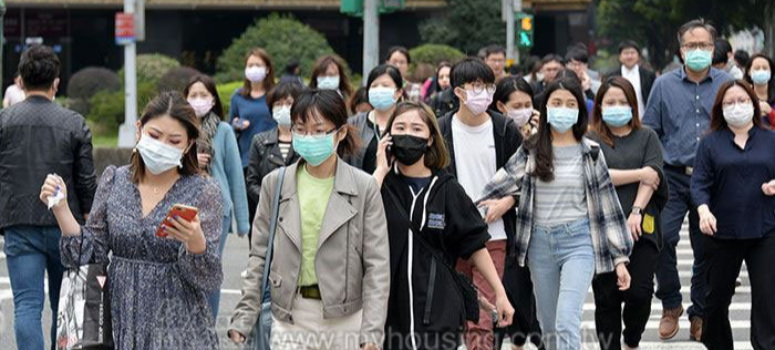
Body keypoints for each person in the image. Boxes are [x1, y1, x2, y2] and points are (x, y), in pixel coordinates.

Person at [41, 91, 223, 349]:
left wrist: (195, 242)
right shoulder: (115, 180)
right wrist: (61, 209)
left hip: (179, 328)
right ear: (139, 130)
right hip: (121, 321)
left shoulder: (204, 191)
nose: (162, 146)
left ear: (189, 144)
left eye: (174, 141)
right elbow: (91, 251)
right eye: (154, 135)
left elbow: (209, 278)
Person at [478, 76, 634, 350]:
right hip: (539, 244)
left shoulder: (592, 153)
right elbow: (497, 184)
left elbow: (609, 208)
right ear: (546, 108)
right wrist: (477, 207)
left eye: (570, 103)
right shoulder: (531, 150)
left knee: (566, 321)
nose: (563, 109)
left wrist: (620, 258)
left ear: (579, 111)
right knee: (548, 327)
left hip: (579, 242)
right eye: (557, 102)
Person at [228, 89, 390, 350]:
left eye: (318, 130)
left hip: (346, 319)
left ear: (341, 132)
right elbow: (259, 255)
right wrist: (244, 316)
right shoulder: (275, 184)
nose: (308, 138)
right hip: (290, 316)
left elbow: (377, 266)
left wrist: (371, 332)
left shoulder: (363, 187)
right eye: (300, 129)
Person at [373, 101, 515, 350]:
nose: (408, 134)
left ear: (430, 139)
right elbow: (358, 219)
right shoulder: (379, 185)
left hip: (438, 305)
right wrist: (380, 171)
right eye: (400, 128)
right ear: (388, 137)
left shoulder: (447, 188)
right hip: (389, 306)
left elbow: (474, 244)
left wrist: (499, 293)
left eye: (417, 129)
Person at [642, 18, 734, 342]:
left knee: (706, 248)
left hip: (712, 179)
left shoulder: (727, 84)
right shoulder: (663, 85)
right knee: (661, 239)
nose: (698, 51)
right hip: (672, 177)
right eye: (691, 46)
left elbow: (736, 127)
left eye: (704, 45)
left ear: (714, 48)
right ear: (681, 51)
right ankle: (670, 304)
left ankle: (700, 313)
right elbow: (650, 131)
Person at [0, 45, 97, 350]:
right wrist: (90, 220)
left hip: (18, 221)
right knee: (63, 304)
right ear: (56, 82)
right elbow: (86, 181)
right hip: (63, 225)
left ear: (21, 82)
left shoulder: (4, 121)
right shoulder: (74, 123)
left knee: (27, 304)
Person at [436, 57, 523, 350]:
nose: (483, 93)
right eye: (476, 86)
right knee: (458, 309)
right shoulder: (442, 129)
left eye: (488, 86)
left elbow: (523, 178)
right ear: (458, 91)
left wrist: (505, 204)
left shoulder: (504, 129)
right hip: (453, 235)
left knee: (482, 316)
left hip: (493, 235)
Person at [691, 80, 775, 350]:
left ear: (754, 104)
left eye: (742, 101)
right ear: (719, 108)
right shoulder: (709, 143)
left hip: (765, 228)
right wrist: (703, 210)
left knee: (768, 301)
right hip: (722, 231)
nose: (737, 107)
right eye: (729, 102)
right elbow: (699, 183)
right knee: (714, 303)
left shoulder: (770, 139)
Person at [588, 77, 668, 350]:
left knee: (640, 293)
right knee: (607, 297)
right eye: (610, 102)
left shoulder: (647, 136)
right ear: (600, 106)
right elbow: (597, 177)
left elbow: (654, 176)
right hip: (601, 230)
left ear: (633, 106)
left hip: (641, 227)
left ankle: (632, 337)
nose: (617, 107)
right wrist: (638, 173)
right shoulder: (591, 139)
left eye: (623, 102)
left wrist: (636, 210)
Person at [184, 74, 250, 318]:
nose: (198, 100)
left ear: (213, 99)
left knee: (209, 267)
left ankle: (208, 323)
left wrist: (242, 221)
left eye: (203, 95)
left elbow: (235, 175)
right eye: (193, 95)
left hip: (216, 210)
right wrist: (188, 159)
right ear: (185, 98)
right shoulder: (179, 128)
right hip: (183, 206)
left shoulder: (224, 130)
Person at [245, 81, 303, 241]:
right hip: (267, 215)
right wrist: (271, 199)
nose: (284, 108)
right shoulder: (260, 141)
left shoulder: (307, 141)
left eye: (289, 103)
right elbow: (252, 182)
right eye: (278, 104)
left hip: (301, 214)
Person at [348, 64, 404, 173]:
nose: (379, 90)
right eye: (374, 86)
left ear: (398, 92)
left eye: (385, 85)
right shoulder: (354, 123)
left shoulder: (408, 123)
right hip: (362, 188)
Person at [229, 48, 276, 171]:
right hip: (246, 160)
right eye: (250, 65)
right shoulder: (238, 97)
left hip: (273, 159)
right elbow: (230, 127)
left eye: (258, 65)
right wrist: (237, 124)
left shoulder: (276, 95)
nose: (254, 68)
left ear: (267, 69)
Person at [606, 40, 657, 117]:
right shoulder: (612, 77)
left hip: (644, 119)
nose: (629, 56)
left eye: (632, 53)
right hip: (620, 118)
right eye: (626, 53)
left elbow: (654, 99)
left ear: (638, 56)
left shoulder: (648, 75)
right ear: (620, 57)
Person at [744, 53, 775, 127]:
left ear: (771, 72)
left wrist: (770, 112)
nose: (761, 71)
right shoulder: (744, 94)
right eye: (757, 68)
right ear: (749, 71)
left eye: (765, 68)